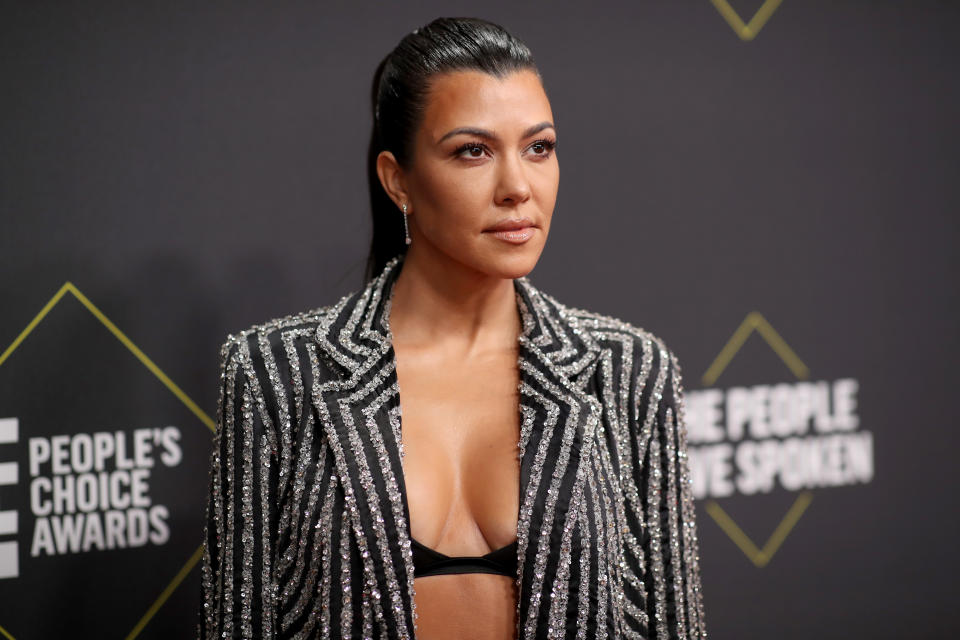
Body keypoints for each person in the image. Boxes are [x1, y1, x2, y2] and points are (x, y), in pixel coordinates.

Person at [199, 16, 708, 640]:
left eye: (539, 147)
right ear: (398, 180)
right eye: (473, 151)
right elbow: (238, 623)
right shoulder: (274, 373)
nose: (518, 186)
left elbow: (674, 626)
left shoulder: (628, 369)